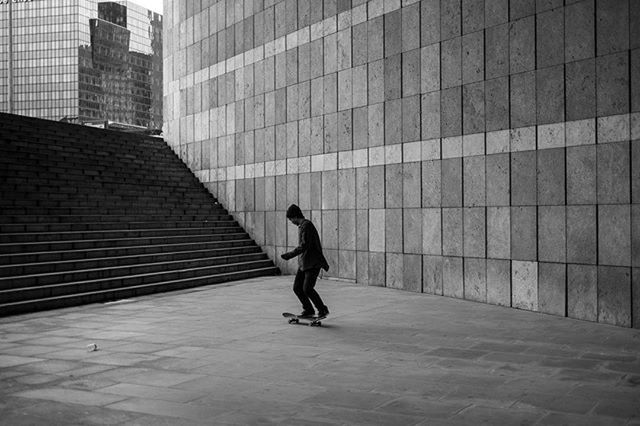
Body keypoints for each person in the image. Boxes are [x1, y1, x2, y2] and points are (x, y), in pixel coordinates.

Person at [280, 204, 330, 318]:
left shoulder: (307, 226)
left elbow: (304, 245)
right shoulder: (303, 226)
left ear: (295, 216)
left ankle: (322, 309)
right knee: (297, 287)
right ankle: (308, 309)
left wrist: (289, 255)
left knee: (307, 288)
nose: (291, 222)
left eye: (291, 219)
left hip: (313, 263)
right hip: (305, 263)